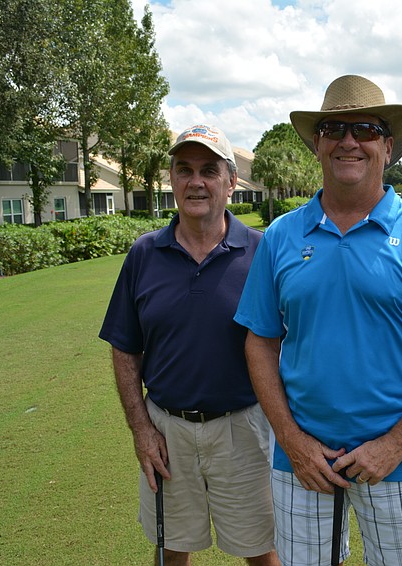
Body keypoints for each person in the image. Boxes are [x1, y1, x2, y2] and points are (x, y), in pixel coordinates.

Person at [234, 75, 402, 565]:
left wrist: (394, 445)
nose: (349, 141)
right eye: (334, 129)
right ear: (318, 144)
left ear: (387, 148)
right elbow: (259, 343)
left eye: (365, 129)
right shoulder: (282, 236)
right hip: (304, 465)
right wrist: (292, 441)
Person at [99, 124, 279, 566]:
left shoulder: (263, 252)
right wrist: (141, 430)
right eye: (184, 170)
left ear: (231, 182)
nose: (196, 182)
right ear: (172, 179)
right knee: (170, 548)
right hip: (166, 431)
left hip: (245, 429)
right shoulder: (144, 254)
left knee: (262, 549)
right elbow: (125, 348)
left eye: (209, 171)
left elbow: (286, 345)